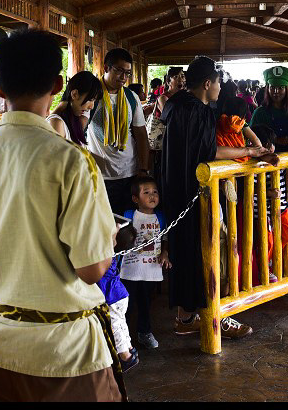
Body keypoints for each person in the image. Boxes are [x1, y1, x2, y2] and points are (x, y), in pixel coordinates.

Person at [0, 30, 122, 402]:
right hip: (62, 354)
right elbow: (91, 269)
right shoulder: (71, 161)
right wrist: (107, 240)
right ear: (59, 85)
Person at [160, 55, 271, 340]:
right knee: (208, 252)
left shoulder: (174, 105)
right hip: (195, 193)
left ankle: (186, 316)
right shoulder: (198, 110)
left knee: (186, 253)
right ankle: (215, 315)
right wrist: (251, 152)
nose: (221, 88)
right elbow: (211, 152)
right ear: (207, 83)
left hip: (175, 189)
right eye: (219, 82)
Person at [87, 48, 150, 215]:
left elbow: (141, 135)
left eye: (127, 73)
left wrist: (143, 169)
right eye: (119, 71)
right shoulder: (92, 95)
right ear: (106, 68)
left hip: (129, 173)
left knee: (128, 223)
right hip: (100, 174)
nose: (123, 77)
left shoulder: (131, 97)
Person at [119, 175, 170, 351]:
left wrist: (165, 253)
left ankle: (144, 332)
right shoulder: (129, 215)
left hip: (150, 271)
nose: (152, 196)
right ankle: (123, 338)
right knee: (127, 305)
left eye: (155, 192)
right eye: (146, 192)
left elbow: (165, 238)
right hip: (130, 271)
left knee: (146, 304)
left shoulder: (161, 217)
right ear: (135, 199)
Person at [98, 225, 139, 373]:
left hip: (114, 298)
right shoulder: (112, 256)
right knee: (121, 323)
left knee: (116, 326)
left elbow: (109, 242)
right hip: (120, 296)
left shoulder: (106, 256)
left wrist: (112, 232)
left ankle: (125, 357)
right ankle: (129, 348)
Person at [47, 71, 103, 144]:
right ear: (74, 94)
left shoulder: (74, 120)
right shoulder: (56, 123)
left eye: (94, 101)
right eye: (90, 100)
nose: (91, 107)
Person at [249, 66, 288, 151]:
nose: (276, 91)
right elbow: (250, 137)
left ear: (287, 89)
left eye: (280, 88)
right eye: (272, 87)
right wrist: (274, 140)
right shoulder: (259, 113)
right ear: (267, 88)